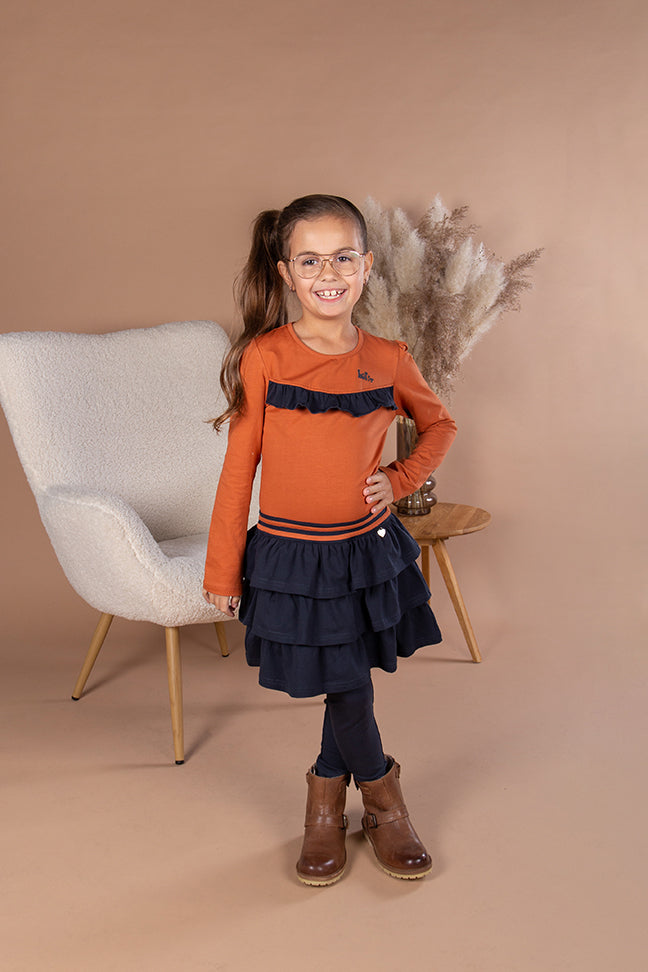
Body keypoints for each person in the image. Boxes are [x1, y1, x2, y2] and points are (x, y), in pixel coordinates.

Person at [203, 194, 457, 886]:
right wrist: (223, 569)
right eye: (310, 260)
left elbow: (439, 425)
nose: (329, 273)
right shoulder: (265, 357)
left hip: (365, 550)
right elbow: (238, 469)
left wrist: (399, 480)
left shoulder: (389, 359)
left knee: (346, 678)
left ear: (367, 266)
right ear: (286, 273)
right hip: (292, 555)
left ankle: (327, 804)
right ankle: (381, 799)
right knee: (347, 679)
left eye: (343, 258)